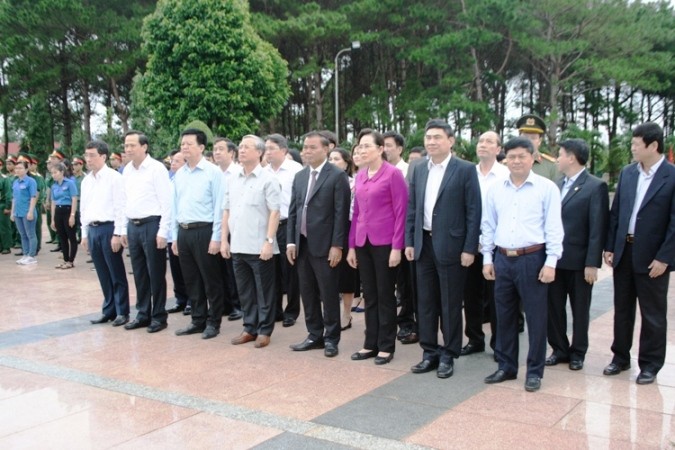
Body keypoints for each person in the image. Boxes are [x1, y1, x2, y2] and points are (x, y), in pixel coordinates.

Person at [481, 137, 563, 392]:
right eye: (511, 157)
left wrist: (551, 262)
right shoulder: (496, 189)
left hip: (533, 259)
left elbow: (554, 228)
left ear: (532, 158)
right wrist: (487, 258)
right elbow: (488, 225)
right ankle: (506, 366)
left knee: (536, 318)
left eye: (521, 156)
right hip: (503, 258)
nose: (516, 161)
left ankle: (534, 371)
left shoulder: (546, 188)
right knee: (503, 315)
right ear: (505, 159)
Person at [405, 119, 481, 379]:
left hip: (452, 245)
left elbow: (474, 211)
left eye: (437, 137)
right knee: (425, 301)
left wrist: (470, 247)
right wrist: (409, 241)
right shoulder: (417, 169)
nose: (431, 142)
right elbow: (412, 208)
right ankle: (429, 352)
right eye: (428, 137)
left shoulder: (465, 169)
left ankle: (449, 353)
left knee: (449, 303)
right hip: (423, 244)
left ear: (451, 141)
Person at [603, 122, 675, 385]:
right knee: (622, 309)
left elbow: (674, 223)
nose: (632, 148)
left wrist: (665, 258)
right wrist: (610, 246)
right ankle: (619, 357)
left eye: (636, 144)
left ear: (653, 145)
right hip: (625, 251)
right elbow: (617, 213)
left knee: (653, 313)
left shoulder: (671, 176)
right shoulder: (628, 173)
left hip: (653, 257)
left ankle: (650, 364)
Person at [545, 139, 609, 370]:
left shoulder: (594, 186)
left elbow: (597, 227)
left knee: (580, 309)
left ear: (572, 157)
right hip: (555, 260)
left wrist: (592, 263)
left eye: (560, 154)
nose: (557, 159)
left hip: (580, 262)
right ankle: (559, 348)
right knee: (553, 307)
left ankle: (578, 352)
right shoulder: (556, 183)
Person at [347, 128, 408, 365]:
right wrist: (352, 246)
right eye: (359, 146)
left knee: (385, 295)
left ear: (381, 149)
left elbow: (401, 211)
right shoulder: (361, 175)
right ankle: (369, 343)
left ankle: (386, 345)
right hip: (363, 241)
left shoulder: (393, 174)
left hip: (385, 243)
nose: (361, 150)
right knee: (369, 295)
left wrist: (397, 247)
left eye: (367, 146)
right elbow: (357, 213)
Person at [287, 131, 351, 357]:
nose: (306, 151)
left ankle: (331, 339)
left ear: (326, 149)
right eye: (305, 147)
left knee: (328, 292)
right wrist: (290, 243)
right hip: (302, 244)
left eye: (312, 147)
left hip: (326, 246)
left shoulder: (336, 176)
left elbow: (341, 213)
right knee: (308, 292)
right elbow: (293, 211)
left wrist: (337, 245)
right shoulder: (300, 176)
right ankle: (314, 334)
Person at [222, 135, 281, 348]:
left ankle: (265, 330)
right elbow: (226, 210)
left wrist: (268, 241)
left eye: (247, 147)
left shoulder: (268, 179)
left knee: (264, 291)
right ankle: (249, 328)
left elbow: (275, 211)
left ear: (259, 152)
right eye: (240, 147)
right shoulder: (233, 178)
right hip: (238, 244)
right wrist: (224, 241)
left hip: (260, 246)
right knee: (245, 291)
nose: (242, 150)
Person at [172, 128, 225, 340]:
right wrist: (175, 236)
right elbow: (175, 206)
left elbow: (220, 206)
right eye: (182, 144)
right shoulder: (179, 174)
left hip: (205, 231)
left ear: (201, 147)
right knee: (191, 279)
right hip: (184, 232)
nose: (184, 147)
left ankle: (214, 321)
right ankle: (197, 319)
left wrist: (216, 237)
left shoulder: (213, 172)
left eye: (189, 144)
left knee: (211, 279)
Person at [462, 131, 509, 357]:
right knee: (471, 294)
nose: (483, 145)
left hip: (497, 244)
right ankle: (474, 338)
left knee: (497, 295)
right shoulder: (467, 173)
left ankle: (499, 343)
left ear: (498, 149)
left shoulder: (506, 174)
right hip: (471, 242)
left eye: (489, 141)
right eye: (480, 141)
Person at [120, 131, 172, 333]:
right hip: (133, 226)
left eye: (132, 145)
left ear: (144, 147)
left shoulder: (156, 169)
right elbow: (125, 201)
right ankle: (143, 313)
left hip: (152, 225)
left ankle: (159, 316)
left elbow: (166, 202)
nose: (128, 149)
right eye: (126, 145)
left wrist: (163, 231)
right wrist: (124, 228)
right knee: (140, 273)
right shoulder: (126, 171)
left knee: (155, 273)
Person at [81, 140, 130, 326]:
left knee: (116, 271)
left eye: (92, 155)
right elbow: (83, 209)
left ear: (103, 156)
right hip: (93, 229)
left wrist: (118, 233)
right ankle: (108, 310)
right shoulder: (86, 181)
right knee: (102, 272)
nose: (88, 159)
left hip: (109, 228)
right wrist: (84, 233)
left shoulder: (114, 177)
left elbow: (120, 206)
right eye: (86, 155)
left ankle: (122, 311)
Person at [264, 134, 303, 327]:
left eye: (271, 148)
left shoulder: (296, 170)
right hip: (270, 226)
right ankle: (276, 310)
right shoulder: (264, 171)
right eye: (266, 148)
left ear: (284, 150)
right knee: (272, 270)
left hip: (289, 224)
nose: (268, 152)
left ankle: (292, 311)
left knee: (291, 270)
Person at [327, 147, 361, 329]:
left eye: (337, 159)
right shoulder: (323, 181)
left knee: (347, 274)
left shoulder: (353, 183)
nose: (332, 162)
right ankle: (331, 314)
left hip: (348, 229)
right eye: (330, 159)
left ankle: (346, 314)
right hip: (326, 230)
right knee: (328, 274)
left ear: (346, 163)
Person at [212, 137, 242, 321]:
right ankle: (225, 304)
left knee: (233, 268)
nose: (216, 152)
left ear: (231, 153)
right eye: (214, 149)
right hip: (217, 226)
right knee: (218, 269)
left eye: (221, 149)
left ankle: (238, 305)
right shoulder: (213, 173)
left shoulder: (238, 172)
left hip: (235, 226)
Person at [164, 150, 190, 314]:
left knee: (187, 269)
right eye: (172, 161)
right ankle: (180, 299)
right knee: (175, 269)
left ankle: (192, 301)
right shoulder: (169, 180)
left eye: (177, 161)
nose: (173, 164)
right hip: (170, 232)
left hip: (185, 230)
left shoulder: (187, 181)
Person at [49, 162, 79, 269]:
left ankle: (71, 261)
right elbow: (53, 202)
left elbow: (74, 199)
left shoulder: (70, 183)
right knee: (62, 238)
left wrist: (72, 215)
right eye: (52, 173)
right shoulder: (53, 186)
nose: (53, 175)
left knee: (71, 237)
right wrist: (52, 219)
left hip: (68, 210)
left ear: (62, 172)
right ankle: (65, 260)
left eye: (55, 172)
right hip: (58, 211)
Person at [10, 160, 38, 265]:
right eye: (16, 168)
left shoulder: (31, 181)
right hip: (18, 212)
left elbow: (33, 197)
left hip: (27, 212)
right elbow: (14, 198)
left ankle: (32, 256)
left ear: (26, 169)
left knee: (30, 234)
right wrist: (12, 212)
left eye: (20, 168)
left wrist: (30, 211)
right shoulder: (15, 182)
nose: (18, 170)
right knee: (22, 234)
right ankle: (25, 254)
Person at [516, 114, 559, 181]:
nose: (528, 141)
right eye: (525, 137)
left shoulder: (551, 166)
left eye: (533, 138)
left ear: (540, 141)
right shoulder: (507, 165)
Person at [0, 158, 12, 254]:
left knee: (4, 227)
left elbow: (8, 194)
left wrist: (8, 207)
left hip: (2, 205)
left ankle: (6, 246)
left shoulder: (5, 179)